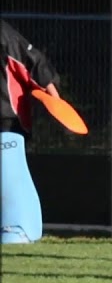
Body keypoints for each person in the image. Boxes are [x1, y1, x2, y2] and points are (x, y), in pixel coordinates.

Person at [1, 20, 63, 244]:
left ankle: (18, 229)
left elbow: (35, 62)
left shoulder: (4, 35)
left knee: (9, 173)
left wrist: (56, 103)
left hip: (6, 121)